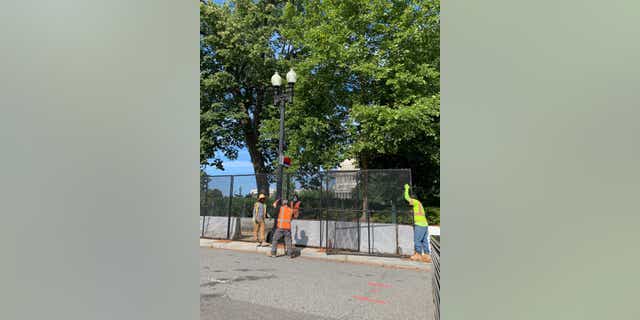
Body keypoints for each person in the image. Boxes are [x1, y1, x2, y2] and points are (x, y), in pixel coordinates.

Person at [404, 184, 432, 262]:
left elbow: (406, 197)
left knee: (417, 240)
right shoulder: (420, 204)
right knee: (424, 240)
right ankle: (427, 256)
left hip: (419, 224)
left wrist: (406, 188)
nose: (409, 203)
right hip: (425, 224)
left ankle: (418, 254)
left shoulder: (415, 202)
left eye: (411, 201)